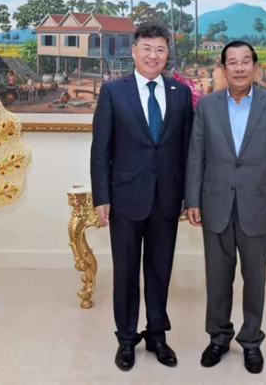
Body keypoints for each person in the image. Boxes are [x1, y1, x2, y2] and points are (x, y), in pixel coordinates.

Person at [90, 22, 194, 372]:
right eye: (147, 48)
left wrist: (189, 196)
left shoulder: (181, 93)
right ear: (134, 51)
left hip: (167, 197)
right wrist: (101, 196)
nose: (153, 55)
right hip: (124, 197)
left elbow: (188, 151)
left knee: (160, 271)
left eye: (160, 49)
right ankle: (126, 339)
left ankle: (157, 335)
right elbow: (100, 150)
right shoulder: (113, 91)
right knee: (126, 272)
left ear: (167, 54)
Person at [184, 40, 266, 374]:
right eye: (233, 62)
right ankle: (218, 337)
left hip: (258, 204)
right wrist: (192, 200)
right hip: (215, 203)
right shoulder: (207, 105)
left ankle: (251, 341)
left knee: (255, 279)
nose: (240, 68)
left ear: (255, 67)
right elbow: (196, 155)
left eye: (246, 61)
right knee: (217, 277)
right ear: (223, 68)